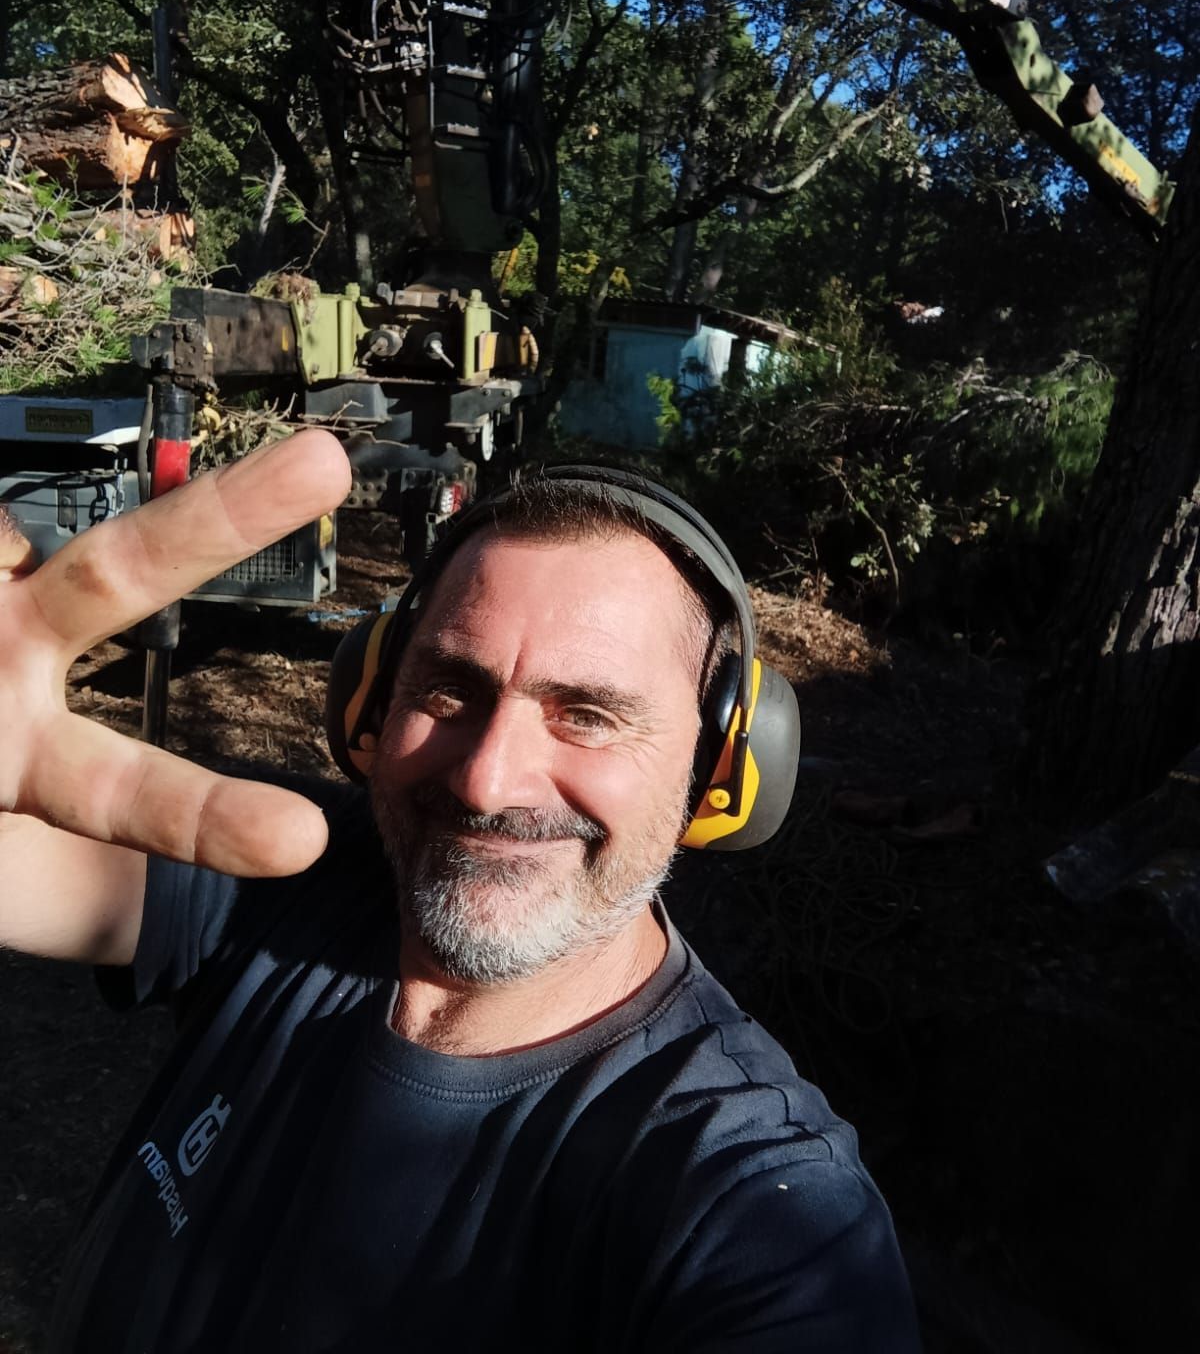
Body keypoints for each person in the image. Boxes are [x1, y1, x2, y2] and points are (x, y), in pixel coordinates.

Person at [0, 432, 921, 1350]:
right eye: (449, 690)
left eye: (588, 716)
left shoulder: (757, 1205)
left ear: (718, 769)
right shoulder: (298, 875)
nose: (486, 781)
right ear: (373, 700)